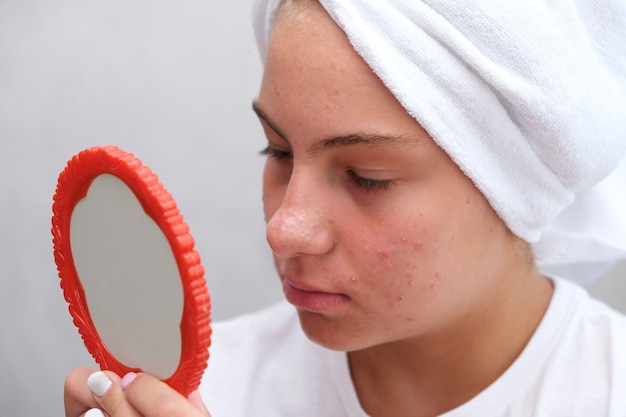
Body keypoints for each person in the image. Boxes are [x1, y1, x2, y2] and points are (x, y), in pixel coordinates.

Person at [65, 0, 626, 416]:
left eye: (367, 178)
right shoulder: (204, 395)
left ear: (517, 191)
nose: (285, 229)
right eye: (277, 150)